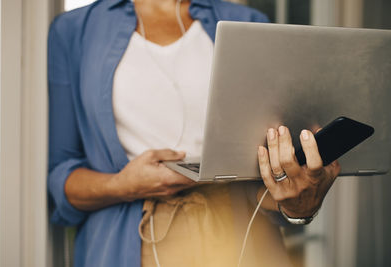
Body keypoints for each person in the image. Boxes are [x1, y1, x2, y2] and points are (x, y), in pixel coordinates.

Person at [47, 0, 340, 266]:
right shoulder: (74, 31)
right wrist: (123, 185)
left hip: (240, 239)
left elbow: (270, 172)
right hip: (130, 245)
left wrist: (298, 203)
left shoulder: (250, 23)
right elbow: (62, 175)